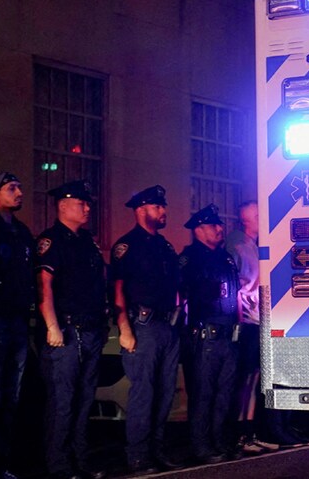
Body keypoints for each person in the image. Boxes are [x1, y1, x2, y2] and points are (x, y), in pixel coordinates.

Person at [35, 180, 108, 479]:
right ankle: (59, 466)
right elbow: (44, 285)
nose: (88, 207)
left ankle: (80, 460)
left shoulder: (87, 241)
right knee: (62, 402)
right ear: (63, 206)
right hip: (65, 332)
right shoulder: (52, 240)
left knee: (84, 400)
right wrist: (52, 326)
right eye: (81, 203)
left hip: (90, 330)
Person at [111, 185, 182, 475]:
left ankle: (156, 448)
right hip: (142, 325)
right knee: (143, 392)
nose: (163, 212)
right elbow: (117, 290)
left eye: (163, 207)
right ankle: (138, 455)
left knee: (165, 392)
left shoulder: (164, 246)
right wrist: (124, 329)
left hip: (167, 325)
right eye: (157, 207)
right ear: (141, 210)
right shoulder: (126, 246)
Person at [0, 171, 34, 479]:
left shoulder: (22, 232)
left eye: (20, 187)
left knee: (12, 396)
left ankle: (4, 463)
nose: (19, 192)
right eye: (11, 188)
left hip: (18, 321)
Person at [179, 204, 240, 464]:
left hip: (229, 334)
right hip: (204, 335)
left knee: (224, 392)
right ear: (199, 230)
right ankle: (200, 445)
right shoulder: (189, 258)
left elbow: (235, 294)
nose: (219, 228)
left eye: (219, 224)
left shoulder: (226, 258)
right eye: (213, 225)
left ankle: (218, 440)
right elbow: (181, 295)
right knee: (203, 393)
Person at [225, 200, 277, 455]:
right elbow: (233, 284)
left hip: (258, 320)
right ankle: (239, 435)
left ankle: (250, 433)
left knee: (254, 378)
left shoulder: (255, 246)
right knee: (244, 379)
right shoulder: (236, 246)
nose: (262, 218)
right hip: (245, 321)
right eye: (258, 215)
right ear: (247, 219)